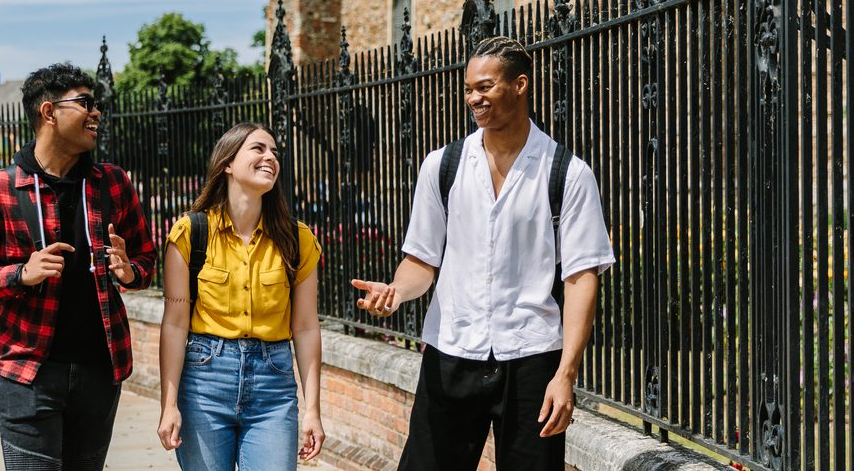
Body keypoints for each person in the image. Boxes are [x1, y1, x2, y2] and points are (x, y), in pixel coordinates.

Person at [352, 36, 615, 470]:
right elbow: (421, 260)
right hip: (450, 353)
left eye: (486, 87)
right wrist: (396, 291)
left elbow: (581, 278)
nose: (474, 98)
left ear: (520, 85)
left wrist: (565, 374)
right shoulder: (442, 166)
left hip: (532, 359)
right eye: (470, 89)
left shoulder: (567, 173)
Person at [0, 62, 157, 470]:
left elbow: (146, 260)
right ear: (49, 112)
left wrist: (130, 271)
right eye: (85, 103)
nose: (97, 113)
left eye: (97, 104)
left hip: (100, 370)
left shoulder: (113, 183)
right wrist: (19, 275)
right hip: (29, 373)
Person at [156, 122, 326, 470]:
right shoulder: (190, 233)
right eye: (259, 149)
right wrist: (168, 404)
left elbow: (307, 328)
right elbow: (174, 324)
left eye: (275, 152)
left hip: (273, 385)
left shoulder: (298, 239)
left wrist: (313, 410)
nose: (270, 157)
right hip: (204, 381)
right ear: (228, 164)